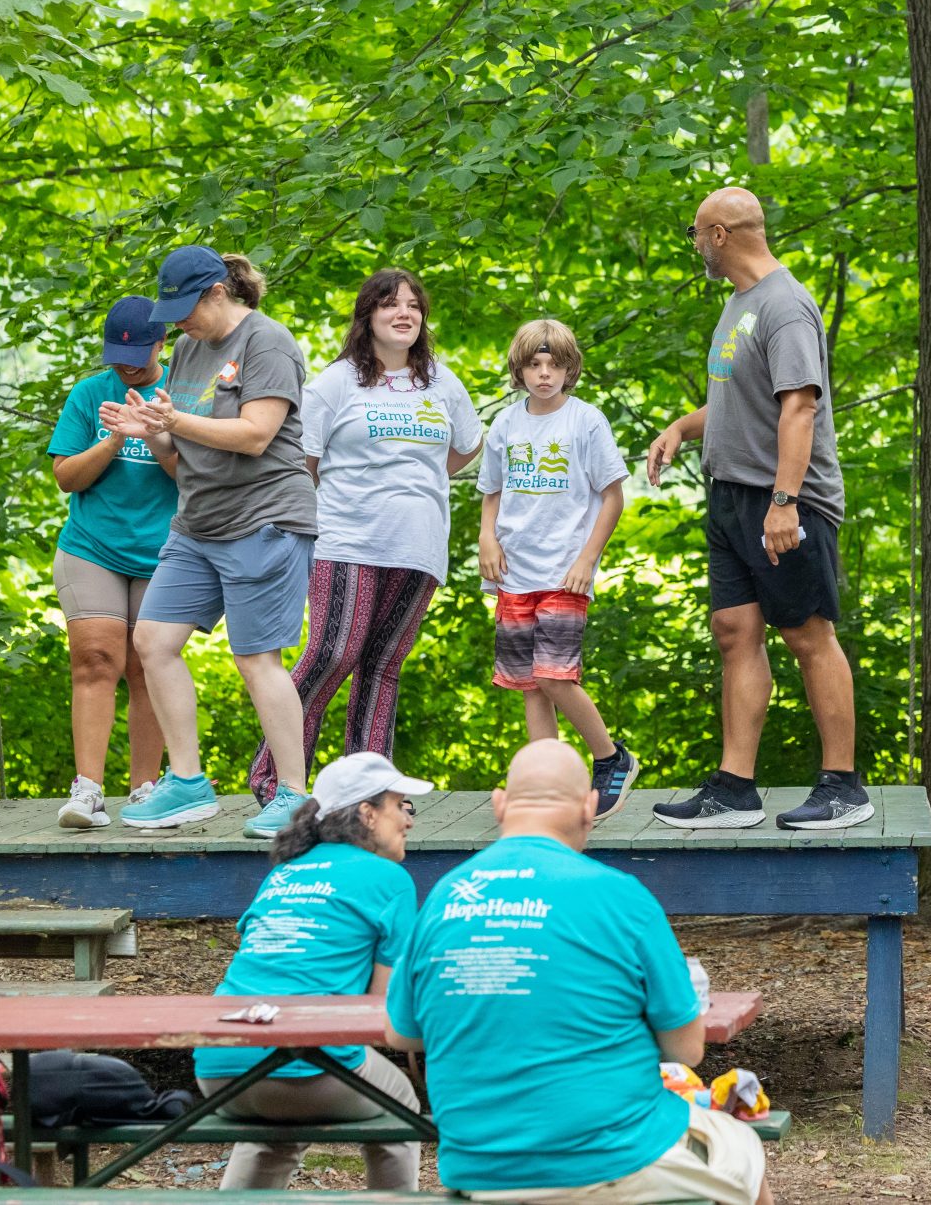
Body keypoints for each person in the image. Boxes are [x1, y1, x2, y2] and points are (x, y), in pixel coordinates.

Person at [385, 739, 773, 1205]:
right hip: (612, 1162)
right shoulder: (621, 896)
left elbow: (402, 1035)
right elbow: (687, 1050)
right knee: (743, 1145)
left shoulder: (445, 897)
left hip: (481, 1172)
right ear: (591, 807)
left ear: (500, 804)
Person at [645, 186, 863, 831]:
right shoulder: (740, 305)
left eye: (694, 232)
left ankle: (844, 787)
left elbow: (800, 406)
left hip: (785, 502)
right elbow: (748, 400)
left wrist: (785, 503)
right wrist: (683, 428)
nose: (694, 245)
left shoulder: (786, 306)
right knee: (735, 633)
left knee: (807, 633)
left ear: (719, 235)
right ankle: (734, 789)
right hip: (730, 495)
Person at [245, 268, 481, 821]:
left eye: (413, 306)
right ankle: (277, 780)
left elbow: (465, 447)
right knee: (334, 653)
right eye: (389, 304)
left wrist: (414, 487)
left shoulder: (442, 383)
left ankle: (367, 791)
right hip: (346, 537)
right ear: (367, 317)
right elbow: (300, 461)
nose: (404, 313)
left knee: (383, 664)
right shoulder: (336, 383)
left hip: (419, 545)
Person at [106, 245, 319, 838]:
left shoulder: (266, 343)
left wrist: (172, 422)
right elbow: (178, 457)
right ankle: (188, 784)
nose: (175, 323)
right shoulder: (187, 349)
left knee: (256, 658)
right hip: (197, 521)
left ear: (217, 292)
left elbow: (255, 435)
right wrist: (149, 430)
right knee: (152, 641)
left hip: (265, 517)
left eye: (184, 308)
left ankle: (295, 795)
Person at [193, 751, 432, 1193]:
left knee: (280, 1129)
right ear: (367, 812)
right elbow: (380, 1011)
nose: (409, 820)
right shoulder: (388, 878)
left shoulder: (285, 872)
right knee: (400, 1104)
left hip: (217, 1065)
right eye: (402, 805)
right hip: (301, 1074)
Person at [477, 319, 634, 819]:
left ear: (570, 370)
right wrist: (487, 538)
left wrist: (587, 559)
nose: (544, 374)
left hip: (565, 569)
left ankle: (612, 759)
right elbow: (492, 492)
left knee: (554, 675)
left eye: (554, 365)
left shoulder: (585, 421)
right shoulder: (505, 424)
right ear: (518, 370)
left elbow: (613, 496)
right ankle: (548, 783)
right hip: (514, 571)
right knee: (529, 682)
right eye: (534, 364)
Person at [46, 298, 178, 829]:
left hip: (164, 551)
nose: (126, 364)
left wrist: (155, 432)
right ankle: (88, 790)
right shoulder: (88, 394)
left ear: (161, 345)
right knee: (97, 659)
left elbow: (198, 478)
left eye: (138, 353)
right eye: (116, 354)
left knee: (148, 666)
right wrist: (117, 437)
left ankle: (145, 788)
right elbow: (66, 477)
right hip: (92, 547)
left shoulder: (183, 393)